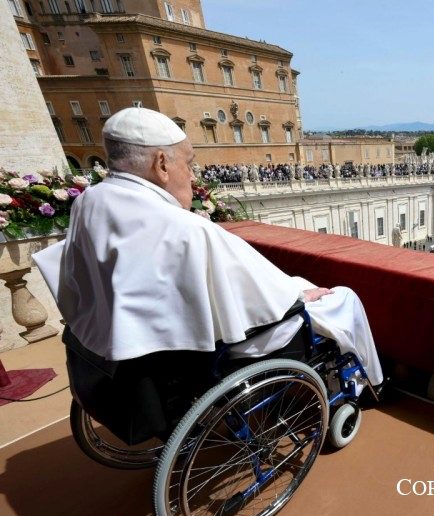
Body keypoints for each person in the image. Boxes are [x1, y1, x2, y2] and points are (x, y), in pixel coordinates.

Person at [33, 107, 383, 390]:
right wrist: (299, 296)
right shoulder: (186, 228)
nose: (193, 174)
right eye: (189, 162)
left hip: (123, 346)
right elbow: (266, 300)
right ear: (162, 164)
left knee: (297, 284)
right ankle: (373, 380)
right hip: (216, 350)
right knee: (343, 297)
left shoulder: (90, 201)